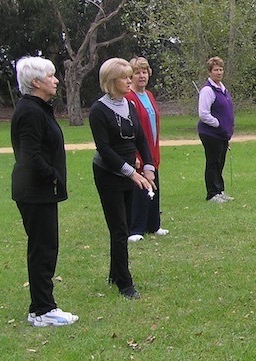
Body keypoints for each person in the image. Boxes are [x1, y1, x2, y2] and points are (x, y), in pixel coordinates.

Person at [11, 56, 79, 327]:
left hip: (40, 191)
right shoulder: (30, 111)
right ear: (36, 82)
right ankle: (41, 310)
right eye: (51, 75)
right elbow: (30, 155)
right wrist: (52, 176)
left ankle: (42, 306)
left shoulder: (38, 108)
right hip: (35, 192)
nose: (56, 80)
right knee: (43, 249)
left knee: (45, 248)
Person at [89, 57, 156, 299]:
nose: (130, 81)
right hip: (109, 174)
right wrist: (132, 173)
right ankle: (125, 284)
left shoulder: (129, 104)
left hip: (130, 172)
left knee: (125, 224)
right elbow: (104, 150)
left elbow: (140, 138)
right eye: (125, 77)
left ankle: (114, 272)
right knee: (119, 229)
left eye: (130, 76)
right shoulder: (98, 110)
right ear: (110, 81)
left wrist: (148, 167)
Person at [125, 57, 169, 243]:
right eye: (137, 72)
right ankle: (136, 228)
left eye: (144, 72)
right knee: (140, 189)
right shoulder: (129, 98)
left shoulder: (149, 95)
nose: (141, 76)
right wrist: (135, 154)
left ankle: (154, 225)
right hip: (138, 153)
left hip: (152, 149)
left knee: (154, 186)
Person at [197, 56, 235, 203]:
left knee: (220, 162)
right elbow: (204, 113)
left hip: (222, 135)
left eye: (220, 69)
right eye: (215, 70)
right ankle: (212, 194)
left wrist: (226, 130)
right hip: (210, 134)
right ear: (210, 72)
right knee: (213, 162)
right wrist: (218, 124)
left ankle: (220, 190)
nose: (219, 72)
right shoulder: (207, 90)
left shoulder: (223, 90)